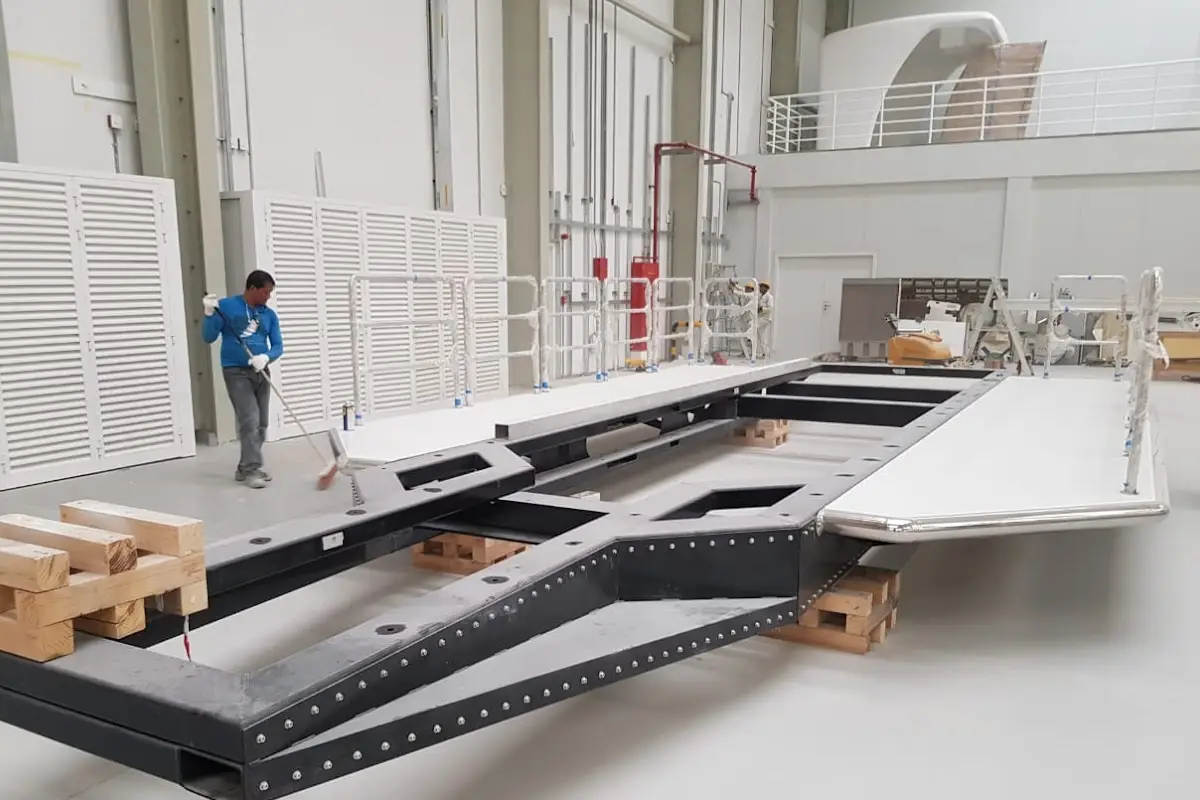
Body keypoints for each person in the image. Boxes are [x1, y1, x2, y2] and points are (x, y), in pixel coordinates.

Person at [201, 271, 284, 489]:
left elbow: (278, 346)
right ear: (253, 289)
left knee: (262, 424)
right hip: (236, 371)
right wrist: (209, 314)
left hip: (261, 371)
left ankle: (244, 466)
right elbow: (208, 337)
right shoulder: (227, 307)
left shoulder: (269, 315)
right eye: (265, 292)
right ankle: (252, 469)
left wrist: (266, 357)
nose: (268, 297)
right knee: (250, 420)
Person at [756, 281, 774, 359]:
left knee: (755, 328)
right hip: (760, 318)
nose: (760, 288)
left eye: (762, 287)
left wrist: (761, 309)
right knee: (761, 335)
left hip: (766, 318)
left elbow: (770, 308)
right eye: (760, 287)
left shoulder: (769, 297)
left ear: (766, 288)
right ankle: (764, 353)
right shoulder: (760, 297)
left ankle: (765, 353)